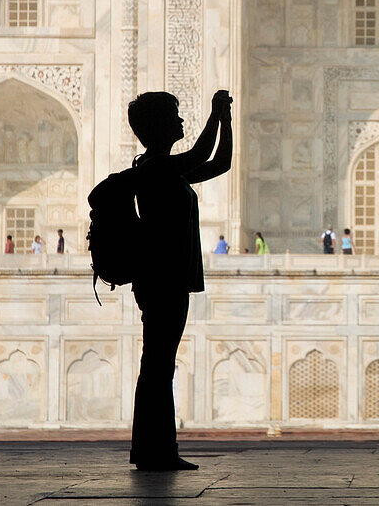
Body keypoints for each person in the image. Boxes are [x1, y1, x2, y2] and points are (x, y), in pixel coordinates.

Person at [127, 88, 232, 472]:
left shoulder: (169, 169)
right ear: (157, 125)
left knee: (160, 364)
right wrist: (213, 113)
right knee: (156, 364)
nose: (181, 121)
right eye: (174, 114)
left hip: (170, 278)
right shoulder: (155, 168)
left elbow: (220, 162)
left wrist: (225, 120)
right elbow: (202, 154)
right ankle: (154, 452)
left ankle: (156, 450)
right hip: (161, 279)